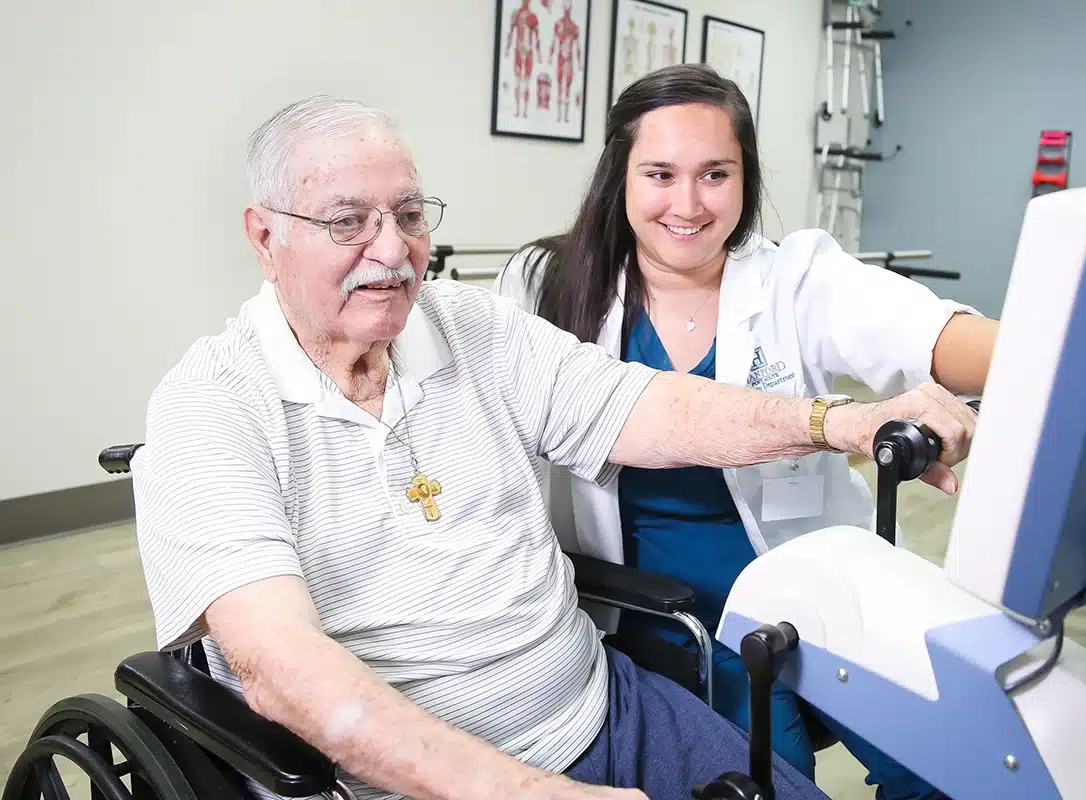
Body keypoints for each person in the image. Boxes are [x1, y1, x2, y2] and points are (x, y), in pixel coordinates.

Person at [131, 93, 979, 800]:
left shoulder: (472, 329)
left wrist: (837, 422)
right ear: (264, 234)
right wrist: (535, 794)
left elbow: (652, 409)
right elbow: (283, 669)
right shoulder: (210, 406)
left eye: (409, 214)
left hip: (603, 712)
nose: (390, 251)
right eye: (348, 221)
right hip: (399, 782)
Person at [494, 63, 998, 800]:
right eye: (660, 174)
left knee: (948, 769)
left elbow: (930, 333)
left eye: (716, 175)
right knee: (783, 783)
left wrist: (1068, 357)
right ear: (620, 176)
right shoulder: (547, 283)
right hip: (670, 617)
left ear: (746, 178)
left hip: (821, 594)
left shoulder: (793, 280)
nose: (689, 204)